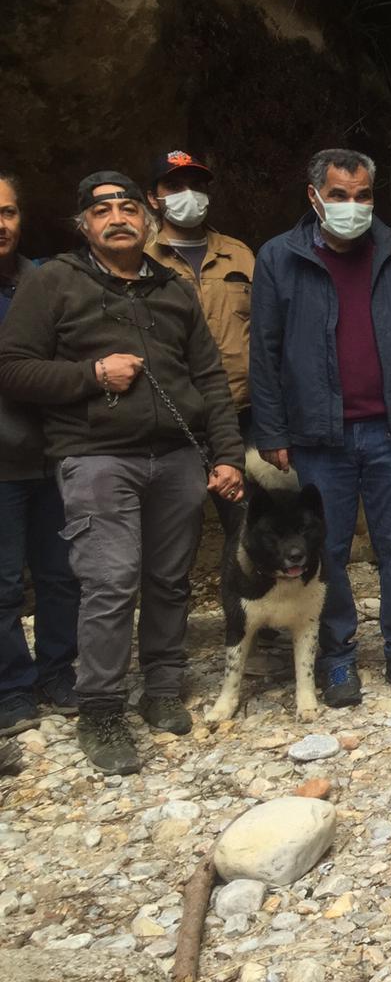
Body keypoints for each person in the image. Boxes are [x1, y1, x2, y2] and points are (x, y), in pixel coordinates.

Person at [0, 172, 244, 773]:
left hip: (179, 457)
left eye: (129, 207)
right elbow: (12, 369)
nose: (117, 217)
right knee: (110, 581)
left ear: (149, 220)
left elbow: (209, 378)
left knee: (169, 577)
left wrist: (228, 455)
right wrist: (91, 376)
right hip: (95, 455)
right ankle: (101, 708)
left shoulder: (172, 288)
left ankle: (162, 687)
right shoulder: (53, 281)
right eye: (102, 209)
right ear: (83, 223)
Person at [251, 149, 391, 708]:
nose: (352, 207)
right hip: (319, 435)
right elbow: (264, 351)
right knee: (327, 549)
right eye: (339, 195)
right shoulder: (278, 257)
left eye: (362, 196)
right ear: (314, 197)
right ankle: (336, 658)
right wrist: (273, 430)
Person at [0, 172, 79, 734]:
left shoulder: (46, 278)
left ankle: (58, 670)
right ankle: (11, 686)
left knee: (60, 574)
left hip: (53, 455)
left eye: (6, 212)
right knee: (3, 583)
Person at [145, 149, 256, 547]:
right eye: (174, 186)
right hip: (171, 425)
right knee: (171, 540)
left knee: (250, 531)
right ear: (152, 198)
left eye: (195, 186)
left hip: (242, 417)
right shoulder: (138, 259)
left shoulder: (240, 254)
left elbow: (264, 334)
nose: (187, 194)